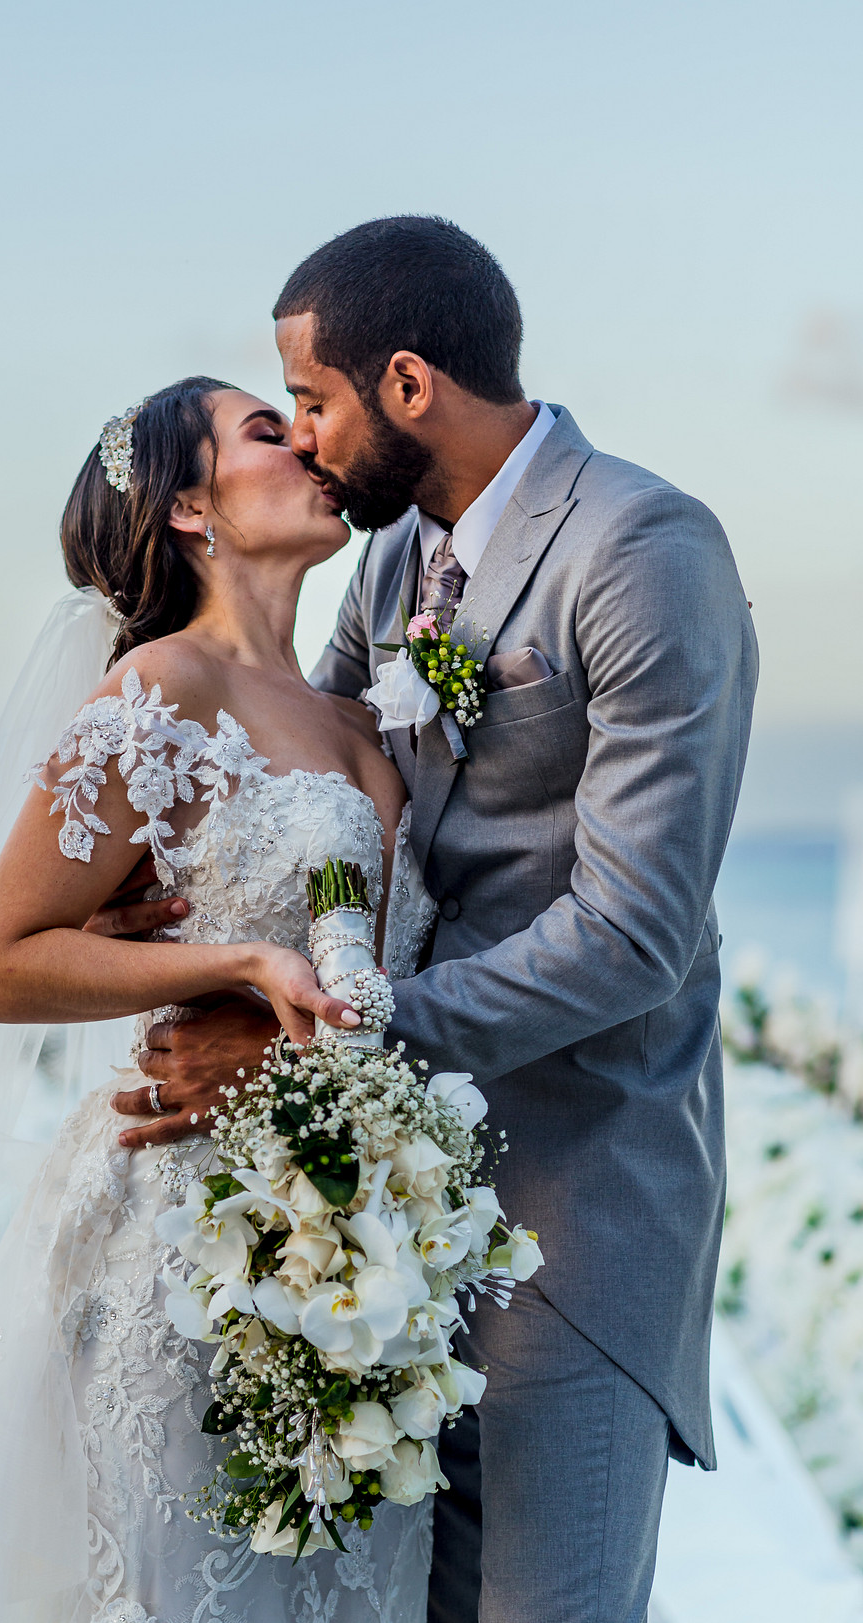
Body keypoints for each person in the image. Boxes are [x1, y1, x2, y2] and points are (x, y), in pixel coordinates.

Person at [99, 218, 760, 1623]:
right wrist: (183, 906)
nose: (312, 444)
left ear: (407, 386)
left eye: (318, 405)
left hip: (571, 1197)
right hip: (377, 1219)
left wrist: (313, 1043)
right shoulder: (400, 569)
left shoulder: (642, 547)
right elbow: (319, 764)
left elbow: (635, 934)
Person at [0, 376, 439, 1622]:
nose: (308, 440)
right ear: (193, 505)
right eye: (269, 428)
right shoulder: (160, 691)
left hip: (359, 1238)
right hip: (181, 1239)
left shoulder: (360, 716)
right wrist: (239, 966)